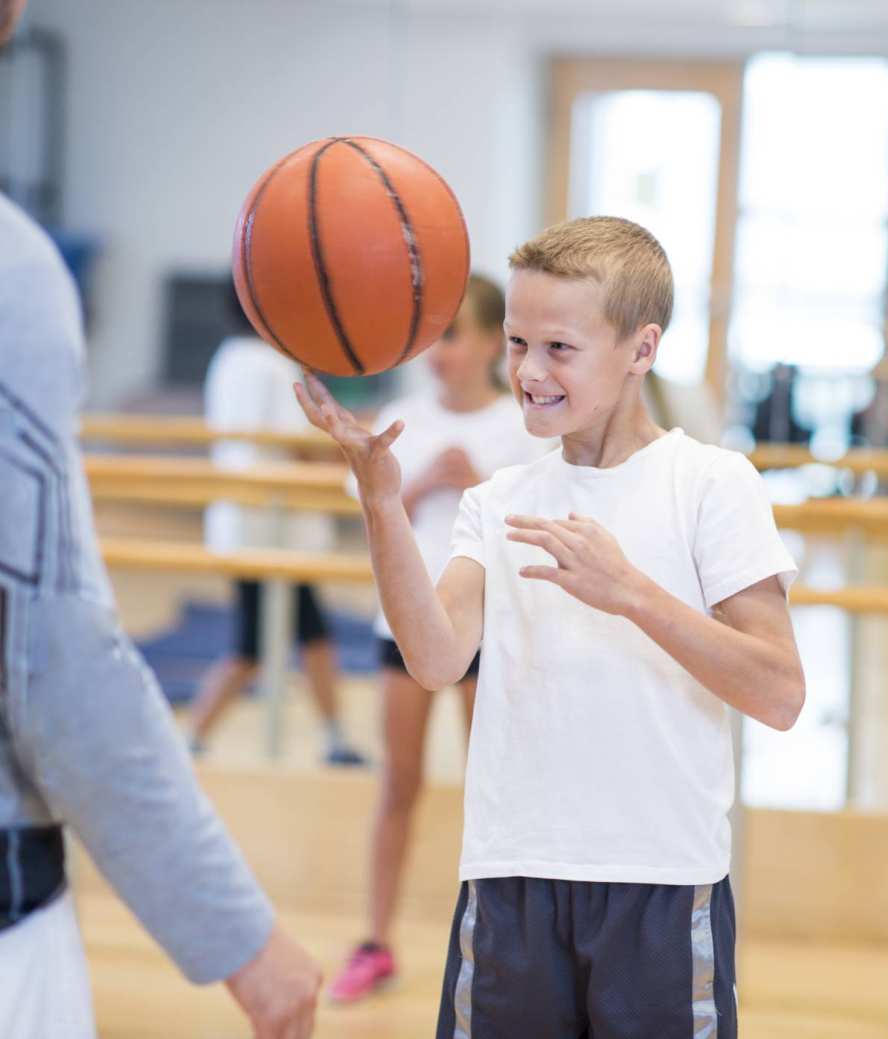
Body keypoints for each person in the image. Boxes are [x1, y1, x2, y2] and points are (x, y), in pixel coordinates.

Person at [298, 216, 805, 1038]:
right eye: (517, 342)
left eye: (559, 348)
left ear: (641, 349)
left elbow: (780, 692)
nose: (529, 371)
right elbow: (431, 656)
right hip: (509, 879)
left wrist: (632, 593)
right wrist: (381, 502)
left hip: (661, 881)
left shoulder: (712, 484)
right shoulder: (498, 500)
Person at [0, 4, 321, 1034]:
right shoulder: (12, 273)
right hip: (259, 529)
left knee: (281, 643)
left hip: (251, 530)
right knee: (266, 641)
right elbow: (50, 663)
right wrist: (237, 936)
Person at [329, 274, 545, 1002]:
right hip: (405, 626)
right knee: (399, 781)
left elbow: (539, 525)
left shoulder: (521, 425)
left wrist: (479, 478)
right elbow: (367, 509)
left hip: (492, 626)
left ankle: (508, 948)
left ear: (492, 343)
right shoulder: (403, 416)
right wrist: (413, 485)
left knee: (496, 791)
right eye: (430, 336)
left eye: (451, 334)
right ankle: (376, 939)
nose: (437, 351)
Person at [188, 286, 365, 767]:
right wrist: (344, 463)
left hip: (252, 518)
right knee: (255, 644)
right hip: (271, 523)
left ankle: (334, 737)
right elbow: (294, 440)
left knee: (310, 632)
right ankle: (192, 736)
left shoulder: (228, 358)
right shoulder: (271, 363)